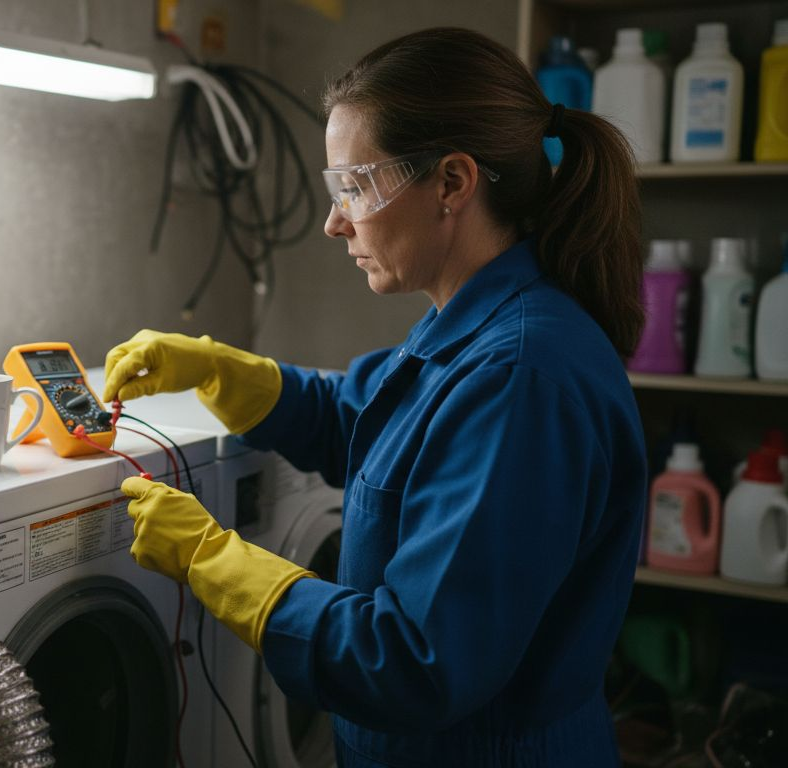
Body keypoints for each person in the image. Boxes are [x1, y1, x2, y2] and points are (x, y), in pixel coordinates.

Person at [104, 27, 647, 767]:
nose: (335, 222)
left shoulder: (520, 377)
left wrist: (214, 562)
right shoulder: (475, 331)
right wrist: (220, 370)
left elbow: (414, 662)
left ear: (453, 183)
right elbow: (365, 422)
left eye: (354, 187)